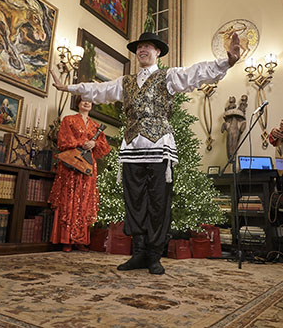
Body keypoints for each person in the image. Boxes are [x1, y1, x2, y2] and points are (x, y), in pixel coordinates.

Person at [50, 31, 240, 273]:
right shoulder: (125, 82)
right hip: (131, 150)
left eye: (148, 46)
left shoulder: (168, 77)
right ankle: (139, 253)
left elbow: (195, 73)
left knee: (159, 203)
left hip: (159, 148)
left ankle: (154, 256)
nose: (143, 50)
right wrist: (67, 87)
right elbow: (100, 90)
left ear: (157, 52)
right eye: (140, 47)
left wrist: (227, 62)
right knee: (134, 202)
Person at [48, 96, 110, 252]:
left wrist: (94, 143)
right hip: (71, 165)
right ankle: (66, 240)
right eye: (83, 100)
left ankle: (80, 240)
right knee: (69, 199)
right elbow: (63, 141)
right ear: (78, 103)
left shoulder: (96, 125)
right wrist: (81, 143)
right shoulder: (68, 120)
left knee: (84, 201)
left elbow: (104, 147)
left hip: (88, 167)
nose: (87, 102)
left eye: (90, 100)